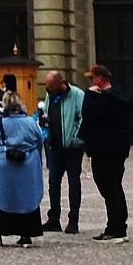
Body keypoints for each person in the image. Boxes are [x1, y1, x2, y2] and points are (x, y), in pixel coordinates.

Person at [76, 64, 132, 244]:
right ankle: (118, 227)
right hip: (115, 149)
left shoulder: (106, 99)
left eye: (92, 78)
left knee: (109, 188)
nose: (91, 81)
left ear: (100, 79)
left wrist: (89, 94)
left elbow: (88, 114)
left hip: (105, 149)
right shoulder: (118, 96)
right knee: (114, 188)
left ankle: (116, 229)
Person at [0, 92, 45, 247]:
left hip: (2, 166)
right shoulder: (31, 122)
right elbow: (40, 140)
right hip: (27, 166)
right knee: (27, 198)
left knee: (3, 197)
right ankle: (26, 235)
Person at [39, 71, 85, 235]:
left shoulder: (77, 95)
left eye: (51, 86)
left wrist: (76, 139)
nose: (48, 89)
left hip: (72, 148)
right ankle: (54, 219)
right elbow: (47, 112)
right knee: (53, 183)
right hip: (55, 146)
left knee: (74, 183)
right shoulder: (50, 95)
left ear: (60, 83)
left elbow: (83, 118)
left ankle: (73, 221)